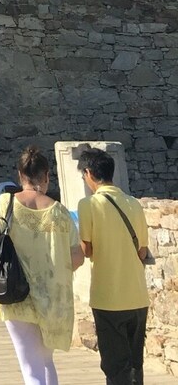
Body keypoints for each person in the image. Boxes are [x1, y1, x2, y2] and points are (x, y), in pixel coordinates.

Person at [0, 146, 84, 385]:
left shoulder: (6, 203)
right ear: (47, 176)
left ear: (20, 175)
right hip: (54, 298)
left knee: (31, 369)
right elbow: (76, 258)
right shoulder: (59, 212)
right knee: (46, 363)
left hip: (18, 294)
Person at [76, 148, 150, 385]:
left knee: (116, 366)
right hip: (138, 297)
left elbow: (87, 250)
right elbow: (142, 251)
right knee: (135, 366)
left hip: (108, 297)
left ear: (88, 173)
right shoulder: (134, 204)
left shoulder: (88, 204)